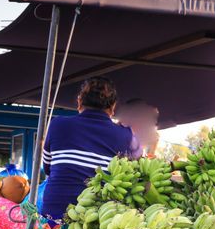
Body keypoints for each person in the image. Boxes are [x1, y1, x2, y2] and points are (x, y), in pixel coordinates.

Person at [40, 77, 140, 220]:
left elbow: (47, 167)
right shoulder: (126, 136)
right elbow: (136, 171)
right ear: (113, 106)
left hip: (54, 213)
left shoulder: (58, 125)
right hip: (99, 220)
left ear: (79, 101)